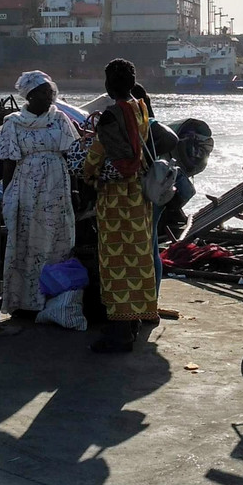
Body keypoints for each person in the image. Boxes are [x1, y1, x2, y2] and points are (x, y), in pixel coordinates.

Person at [82, 58, 157, 353]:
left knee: (116, 260)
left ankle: (120, 330)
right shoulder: (140, 107)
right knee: (139, 255)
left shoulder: (112, 115)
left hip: (117, 198)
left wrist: (88, 172)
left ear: (108, 84)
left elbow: (99, 153)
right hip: (139, 194)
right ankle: (137, 317)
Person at [0, 70, 78, 316]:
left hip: (56, 185)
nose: (49, 97)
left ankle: (55, 301)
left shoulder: (60, 119)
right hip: (27, 186)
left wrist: (73, 189)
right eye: (43, 93)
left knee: (56, 240)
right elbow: (8, 162)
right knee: (25, 240)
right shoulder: (12, 123)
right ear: (30, 95)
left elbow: (70, 155)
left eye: (51, 92)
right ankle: (24, 300)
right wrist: (8, 196)